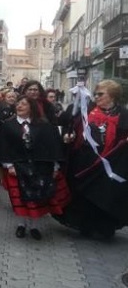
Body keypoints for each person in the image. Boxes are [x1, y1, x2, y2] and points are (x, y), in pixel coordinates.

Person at [55, 80, 128, 239]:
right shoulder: (86, 110)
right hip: (85, 161)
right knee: (84, 194)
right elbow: (71, 128)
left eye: (101, 94)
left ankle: (103, 227)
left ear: (113, 95)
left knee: (106, 195)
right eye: (95, 94)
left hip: (111, 163)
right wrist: (69, 137)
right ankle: (85, 225)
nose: (96, 96)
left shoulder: (123, 114)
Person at [0, 96, 70, 240]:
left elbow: (52, 146)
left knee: (37, 198)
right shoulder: (8, 125)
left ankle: (34, 226)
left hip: (39, 168)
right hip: (17, 167)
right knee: (20, 199)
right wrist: (9, 165)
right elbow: (3, 146)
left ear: (32, 107)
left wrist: (54, 167)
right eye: (18, 103)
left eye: (24, 104)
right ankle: (21, 225)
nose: (19, 106)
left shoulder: (44, 126)